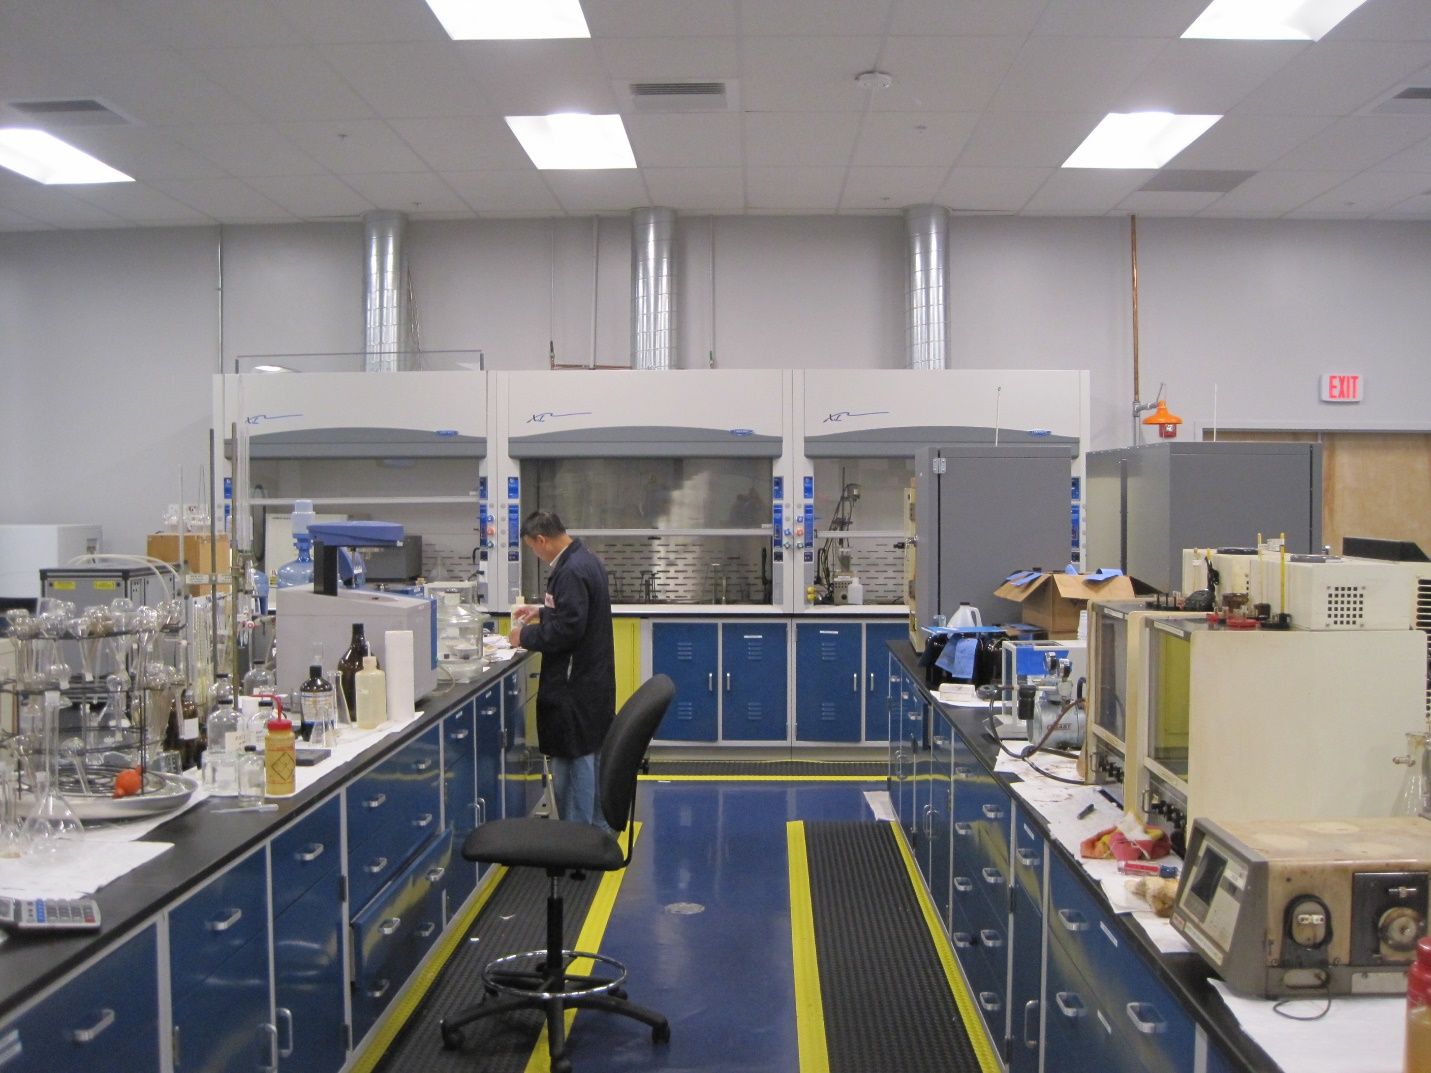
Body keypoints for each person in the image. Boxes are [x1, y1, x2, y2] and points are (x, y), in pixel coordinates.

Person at [508, 510, 615, 827]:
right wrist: (540, 611)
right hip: (591, 681)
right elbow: (572, 610)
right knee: (591, 754)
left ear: (542, 540)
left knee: (575, 759)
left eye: (532, 548)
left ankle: (577, 838)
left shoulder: (569, 571)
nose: (535, 554)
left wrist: (523, 635)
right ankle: (598, 829)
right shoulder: (585, 559)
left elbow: (568, 630)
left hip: (574, 686)